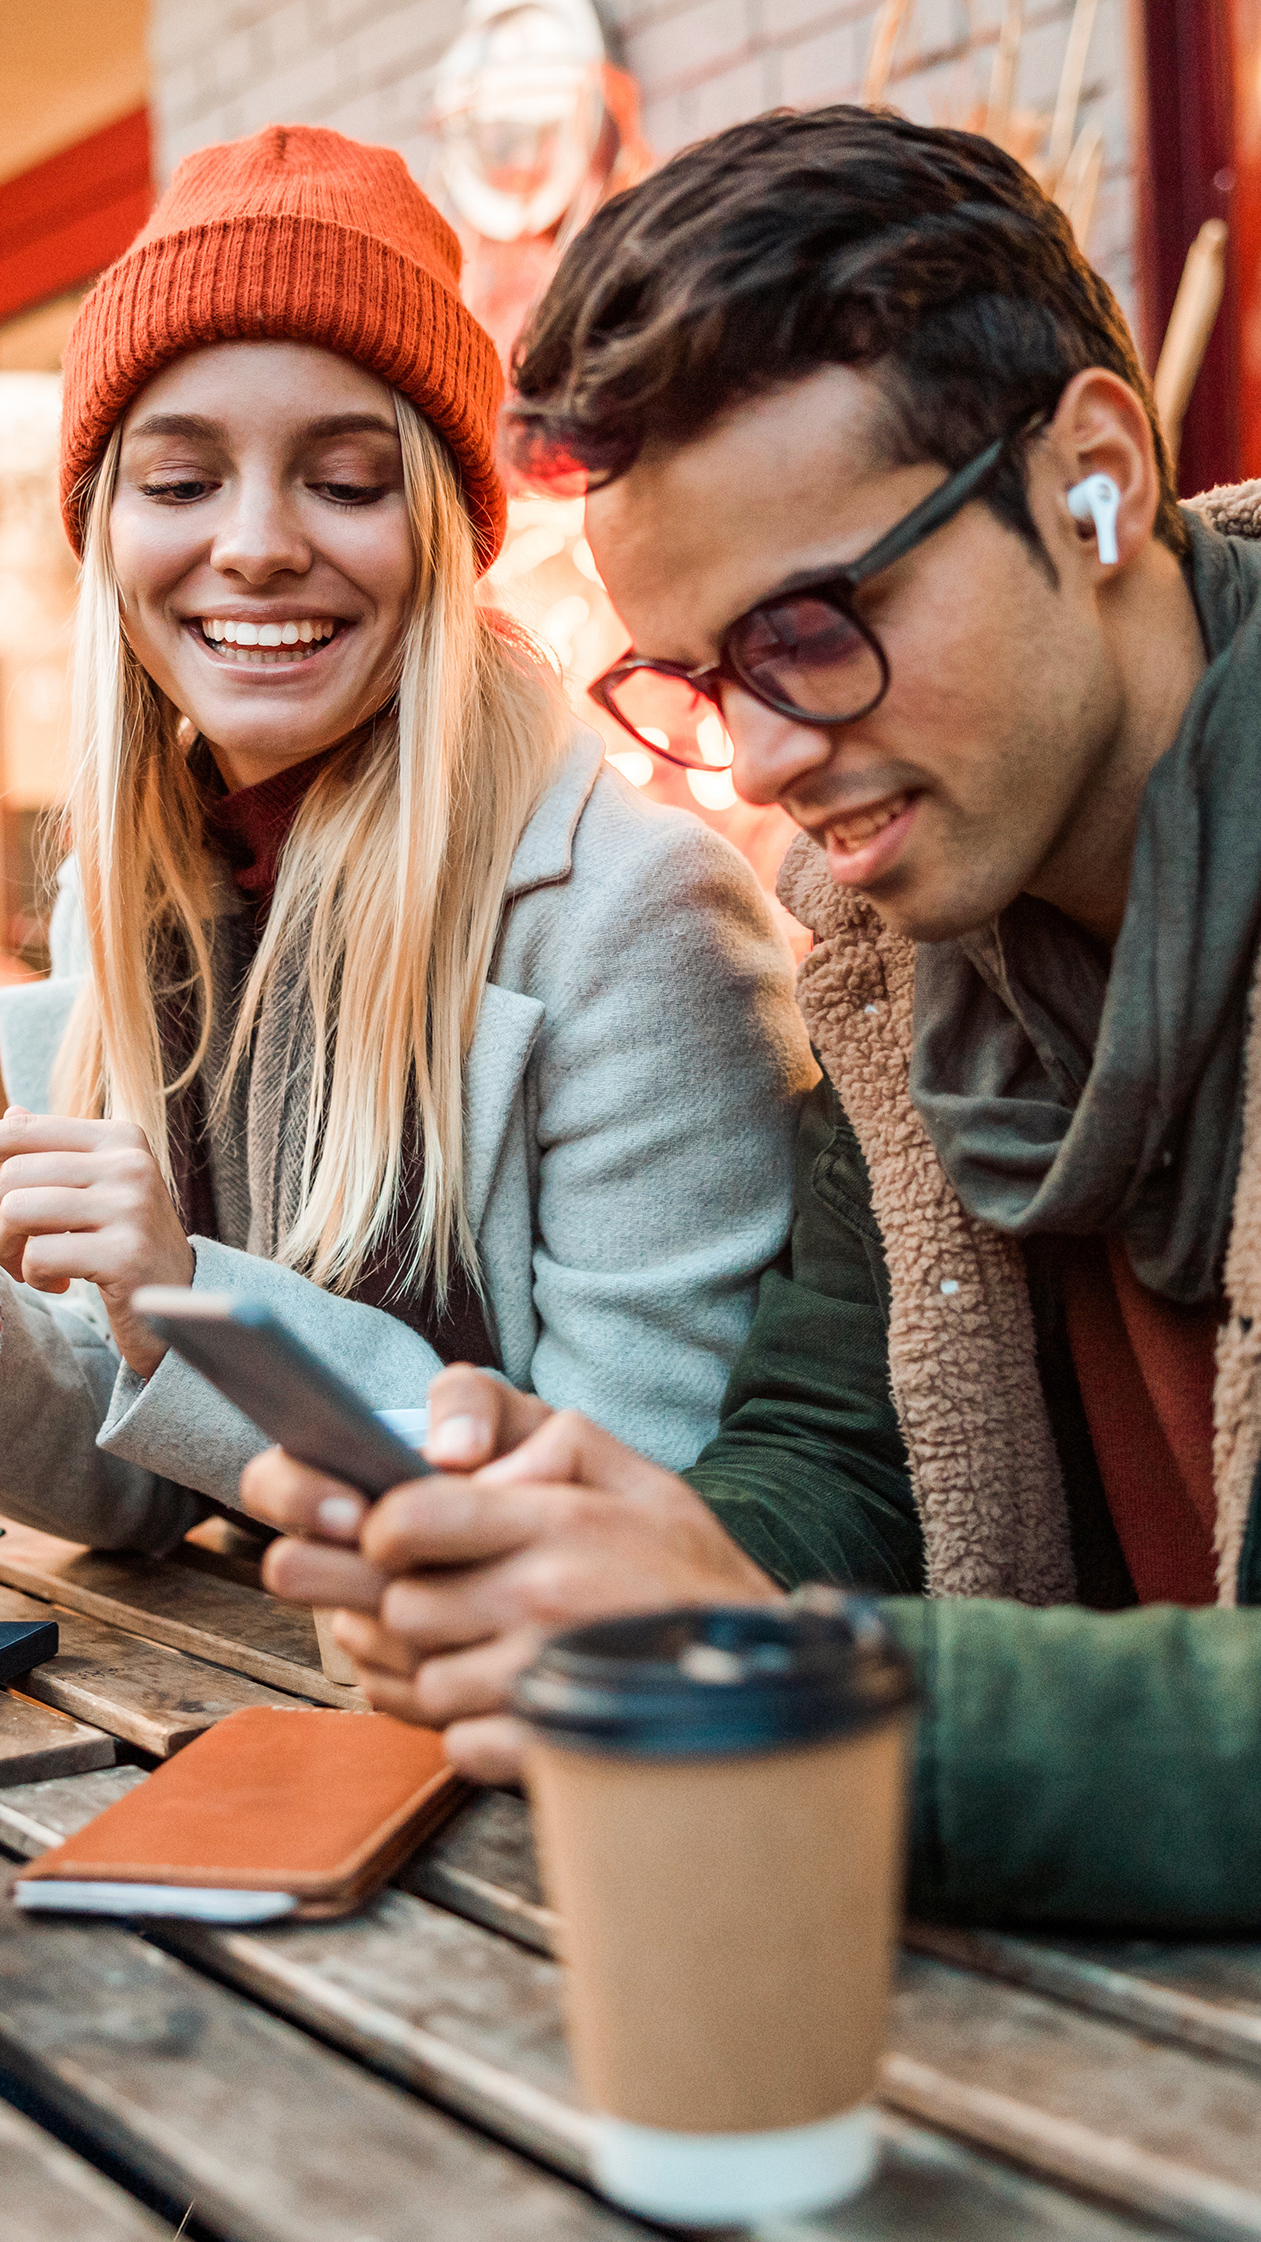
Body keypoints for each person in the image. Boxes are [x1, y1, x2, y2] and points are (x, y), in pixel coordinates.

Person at [243, 108, 1261, 1927]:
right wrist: (568, 1563)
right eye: (698, 677)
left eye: (808, 627)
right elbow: (838, 1452)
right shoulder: (893, 974)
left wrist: (772, 1677)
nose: (765, 761)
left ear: (1094, 479)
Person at [0, 124, 813, 1555]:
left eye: (346, 479)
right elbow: (147, 1477)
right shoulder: (119, 906)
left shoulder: (637, 915)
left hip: (535, 1751)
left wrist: (195, 1301)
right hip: (252, 1725)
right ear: (107, 531)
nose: (253, 543)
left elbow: (638, 1518)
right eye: (182, 481)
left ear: (442, 526)